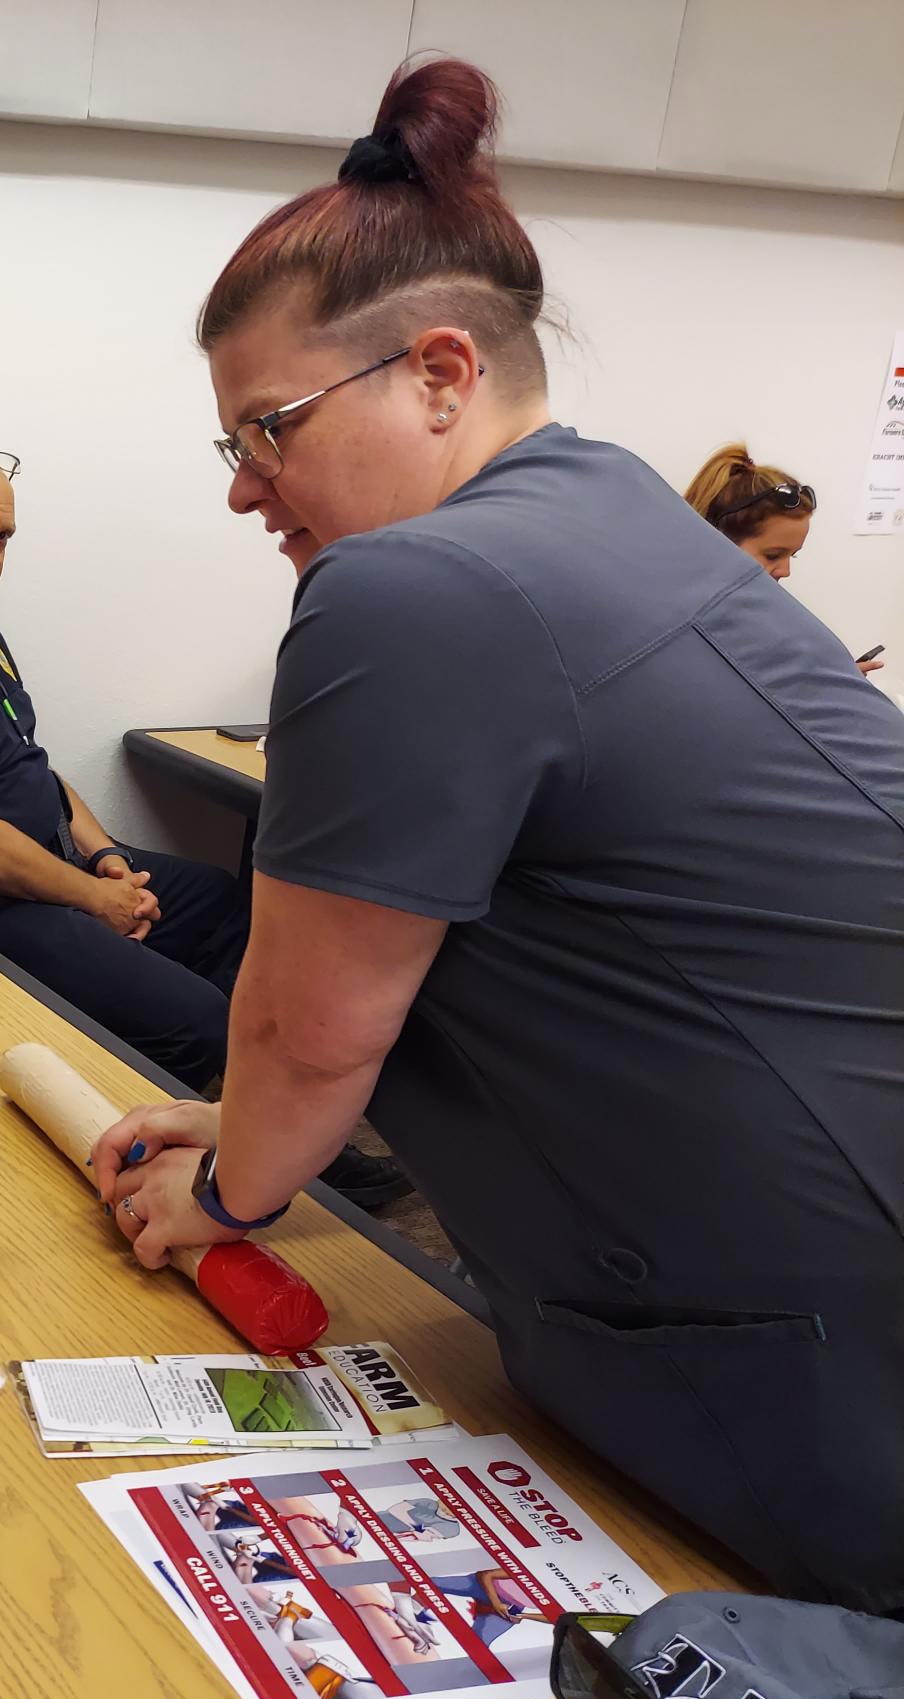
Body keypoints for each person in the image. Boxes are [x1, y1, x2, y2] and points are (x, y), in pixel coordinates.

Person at [94, 58, 904, 1614]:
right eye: (233, 448)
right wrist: (246, 1121)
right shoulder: (616, 509)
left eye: (269, 429)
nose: (249, 491)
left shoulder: (412, 589)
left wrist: (235, 1195)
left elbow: (316, 1022)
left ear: (443, 373)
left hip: (809, 1331)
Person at [0, 448, 405, 1205]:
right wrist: (96, 901)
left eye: (4, 538)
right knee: (193, 1016)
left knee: (224, 905)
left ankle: (253, 1127)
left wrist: (106, 856)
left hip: (46, 870)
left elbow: (36, 774)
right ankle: (168, 1151)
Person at [683, 442, 881, 672]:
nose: (785, 571)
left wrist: (833, 682)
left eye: (793, 555)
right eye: (773, 555)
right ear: (718, 540)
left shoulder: (757, 612)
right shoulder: (689, 624)